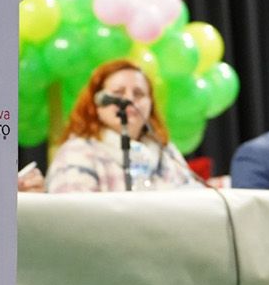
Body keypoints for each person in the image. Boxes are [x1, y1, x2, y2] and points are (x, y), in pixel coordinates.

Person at [45, 59, 200, 192]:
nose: (129, 100)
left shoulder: (167, 152)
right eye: (119, 92)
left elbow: (195, 204)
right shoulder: (77, 151)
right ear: (97, 104)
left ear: (150, 104)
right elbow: (73, 218)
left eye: (138, 93)